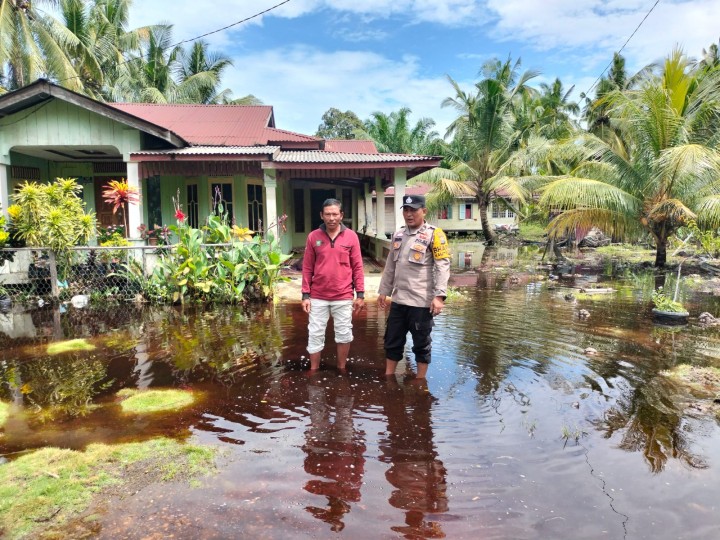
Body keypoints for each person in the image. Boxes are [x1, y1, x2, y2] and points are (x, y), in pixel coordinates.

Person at [377, 194, 450, 378]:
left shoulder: (435, 234)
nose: (409, 214)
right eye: (406, 210)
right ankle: (389, 377)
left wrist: (439, 296)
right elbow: (390, 266)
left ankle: (420, 381)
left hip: (421, 302)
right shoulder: (398, 234)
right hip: (399, 300)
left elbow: (442, 265)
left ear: (423, 211)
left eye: (414, 210)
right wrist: (384, 291)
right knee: (392, 341)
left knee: (421, 343)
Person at [302, 198, 365, 370]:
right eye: (328, 214)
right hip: (318, 296)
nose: (331, 218)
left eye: (335, 214)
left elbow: (357, 266)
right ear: (321, 215)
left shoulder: (351, 236)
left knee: (344, 334)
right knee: (314, 334)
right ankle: (313, 370)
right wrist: (305, 295)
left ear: (341, 215)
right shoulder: (313, 237)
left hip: (343, 295)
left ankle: (341, 368)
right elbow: (307, 267)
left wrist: (360, 294)